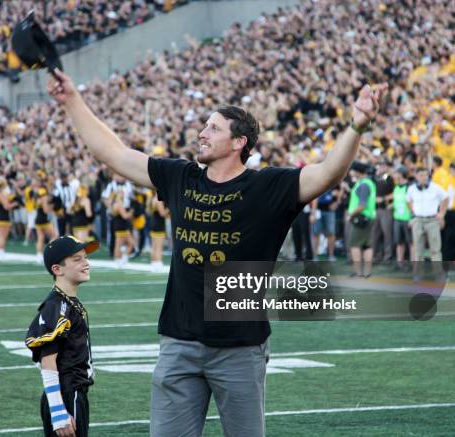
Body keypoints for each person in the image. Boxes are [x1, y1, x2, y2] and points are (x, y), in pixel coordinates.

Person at [47, 68, 386, 436]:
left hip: (240, 348)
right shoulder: (182, 176)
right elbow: (114, 153)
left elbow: (327, 174)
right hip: (179, 342)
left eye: (212, 128)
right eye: (203, 126)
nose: (201, 133)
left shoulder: (266, 186)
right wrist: (72, 101)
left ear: (239, 141)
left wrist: (357, 125)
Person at [25, 235, 99, 437]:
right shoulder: (57, 306)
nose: (86, 263)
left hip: (72, 393)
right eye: (77, 259)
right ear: (57, 269)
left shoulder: (67, 302)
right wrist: (58, 412)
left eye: (85, 257)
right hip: (66, 395)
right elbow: (47, 361)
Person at [406, 166, 449, 281]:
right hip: (418, 220)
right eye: (421, 175)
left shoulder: (435, 187)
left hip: (432, 220)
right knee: (418, 249)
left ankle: (439, 274)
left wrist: (442, 214)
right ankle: (418, 274)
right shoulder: (411, 189)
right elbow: (408, 201)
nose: (424, 177)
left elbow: (446, 198)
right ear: (416, 176)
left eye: (426, 175)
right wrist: (413, 215)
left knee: (435, 249)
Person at [347, 163, 377, 277]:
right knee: (367, 245)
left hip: (360, 218)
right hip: (369, 217)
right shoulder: (368, 183)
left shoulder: (363, 185)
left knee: (355, 245)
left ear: (358, 172)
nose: (351, 173)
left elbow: (362, 205)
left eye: (353, 170)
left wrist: (351, 214)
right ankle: (367, 272)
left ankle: (358, 272)